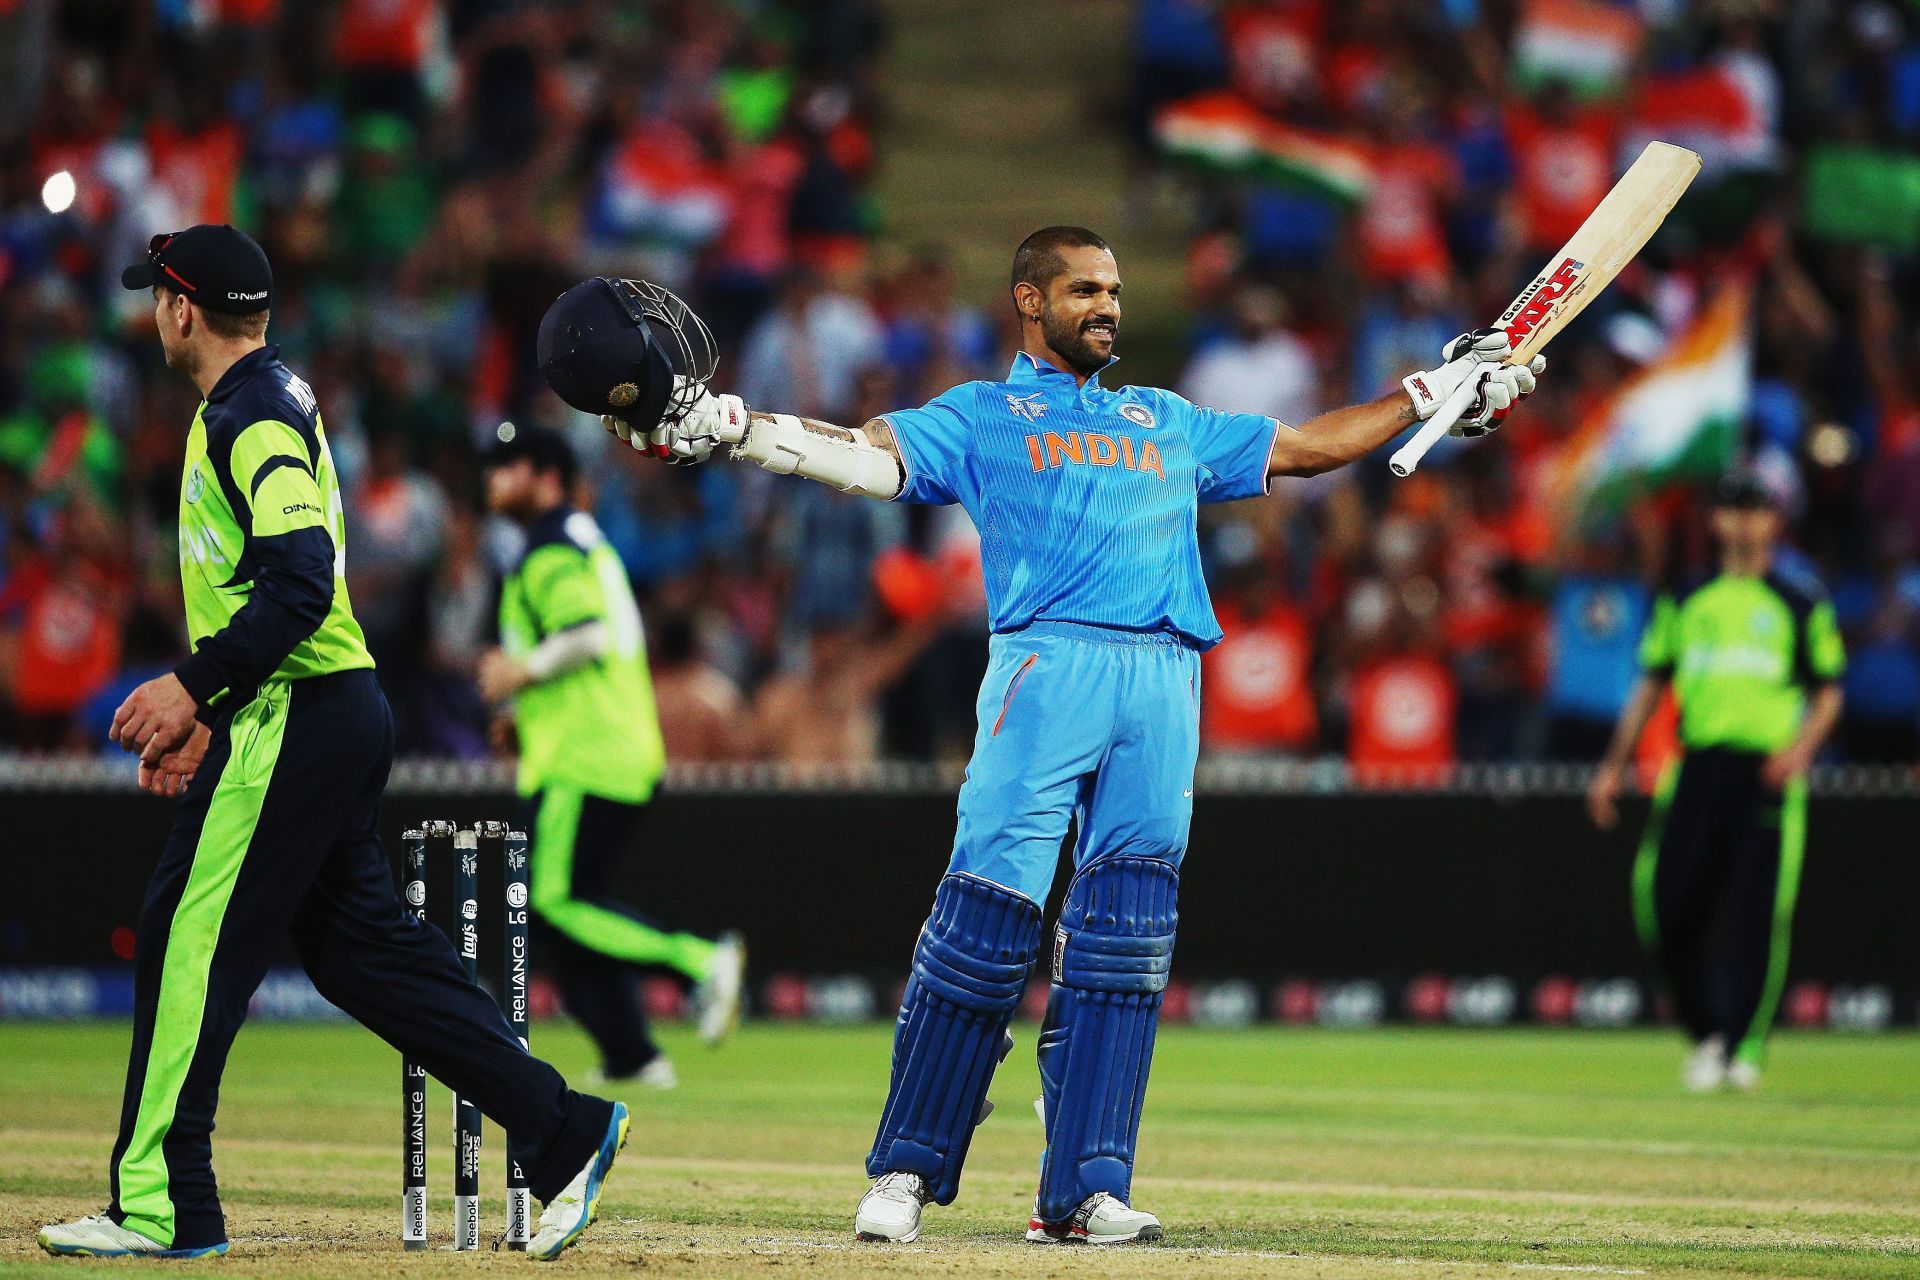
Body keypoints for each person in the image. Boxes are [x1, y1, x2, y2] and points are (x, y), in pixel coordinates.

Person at [598, 226, 1544, 1244]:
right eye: (1086, 289)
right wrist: (737, 427)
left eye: (1116, 289)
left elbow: (1309, 446)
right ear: (1030, 301)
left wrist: (1435, 397)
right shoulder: (982, 413)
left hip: (1167, 676)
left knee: (1126, 936)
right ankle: (905, 1172)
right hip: (1047, 668)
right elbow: (871, 457)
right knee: (985, 922)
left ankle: (1085, 1187)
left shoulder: (1166, 418)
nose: (1109, 305)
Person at [37, 225, 628, 1261]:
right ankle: (563, 1129)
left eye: (158, 298)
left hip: (299, 712)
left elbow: (303, 580)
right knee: (364, 957)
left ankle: (163, 1201)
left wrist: (193, 686)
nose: (153, 315)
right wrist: (215, 707)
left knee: (185, 932)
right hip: (316, 707)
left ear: (181, 309)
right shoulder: (268, 397)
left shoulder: (253, 413)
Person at [478, 423, 745, 1089]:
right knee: (570, 915)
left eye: (508, 466)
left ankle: (700, 961)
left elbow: (588, 635)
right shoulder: (581, 543)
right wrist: (524, 716)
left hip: (583, 755)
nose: (492, 479)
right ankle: (631, 1055)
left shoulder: (548, 550)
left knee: (556, 902)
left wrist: (520, 675)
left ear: (547, 478)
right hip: (602, 745)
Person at [1588, 468, 1845, 1093]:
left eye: (1756, 510)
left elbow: (1830, 689)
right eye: (1732, 509)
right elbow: (1653, 679)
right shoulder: (1688, 596)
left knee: (1758, 916)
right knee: (1666, 903)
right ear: (1716, 521)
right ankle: (1707, 1032)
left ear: (1773, 521)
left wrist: (1802, 749)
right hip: (1697, 765)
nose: (1744, 521)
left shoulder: (1798, 600)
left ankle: (1742, 1047)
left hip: (1766, 774)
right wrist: (1613, 767)